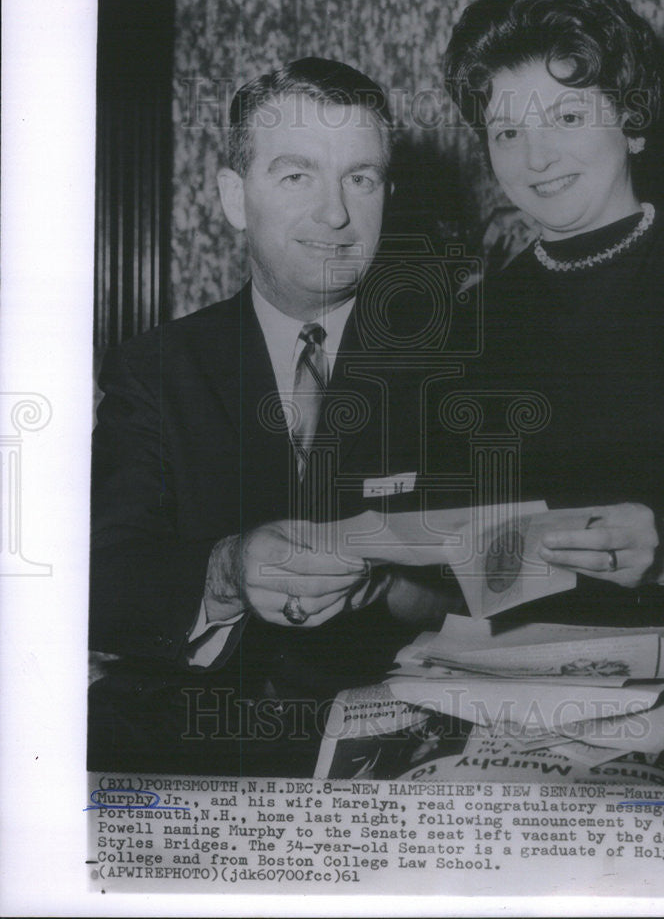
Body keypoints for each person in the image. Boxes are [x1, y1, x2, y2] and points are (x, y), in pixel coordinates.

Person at [89, 57, 462, 774]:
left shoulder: (457, 363)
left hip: (411, 754)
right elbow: (103, 578)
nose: (335, 214)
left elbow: (512, 577)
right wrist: (224, 571)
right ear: (235, 198)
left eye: (360, 178)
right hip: (201, 749)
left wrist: (390, 586)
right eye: (297, 176)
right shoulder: (158, 370)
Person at [441, 0, 664, 723]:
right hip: (507, 704)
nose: (535, 159)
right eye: (506, 132)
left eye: (566, 115)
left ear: (631, 121)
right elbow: (442, 574)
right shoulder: (466, 324)